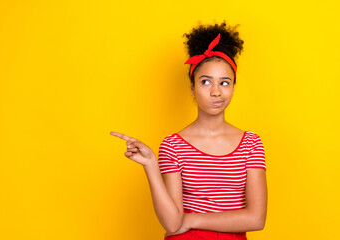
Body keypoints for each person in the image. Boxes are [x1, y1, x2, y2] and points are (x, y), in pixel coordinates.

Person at [110, 20, 267, 240]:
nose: (215, 92)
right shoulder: (173, 145)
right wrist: (150, 165)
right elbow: (173, 224)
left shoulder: (251, 144)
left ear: (233, 87)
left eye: (224, 82)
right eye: (205, 82)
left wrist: (193, 219)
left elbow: (257, 219)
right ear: (192, 87)